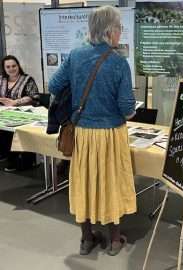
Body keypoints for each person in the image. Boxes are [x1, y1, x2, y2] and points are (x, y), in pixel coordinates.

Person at [48, 6, 137, 256]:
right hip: (110, 135)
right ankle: (115, 240)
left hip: (83, 133)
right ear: (110, 31)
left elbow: (54, 85)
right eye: (120, 28)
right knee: (112, 183)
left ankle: (86, 239)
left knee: (84, 182)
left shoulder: (75, 55)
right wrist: (128, 111)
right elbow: (127, 107)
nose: (120, 32)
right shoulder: (119, 62)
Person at [0, 55, 39, 172]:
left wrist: (15, 102)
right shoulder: (2, 79)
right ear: (4, 68)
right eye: (8, 67)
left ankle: (18, 160)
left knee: (11, 132)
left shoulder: (27, 79)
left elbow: (34, 97)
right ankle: (7, 156)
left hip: (24, 115)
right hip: (5, 114)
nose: (11, 69)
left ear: (18, 66)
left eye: (14, 66)